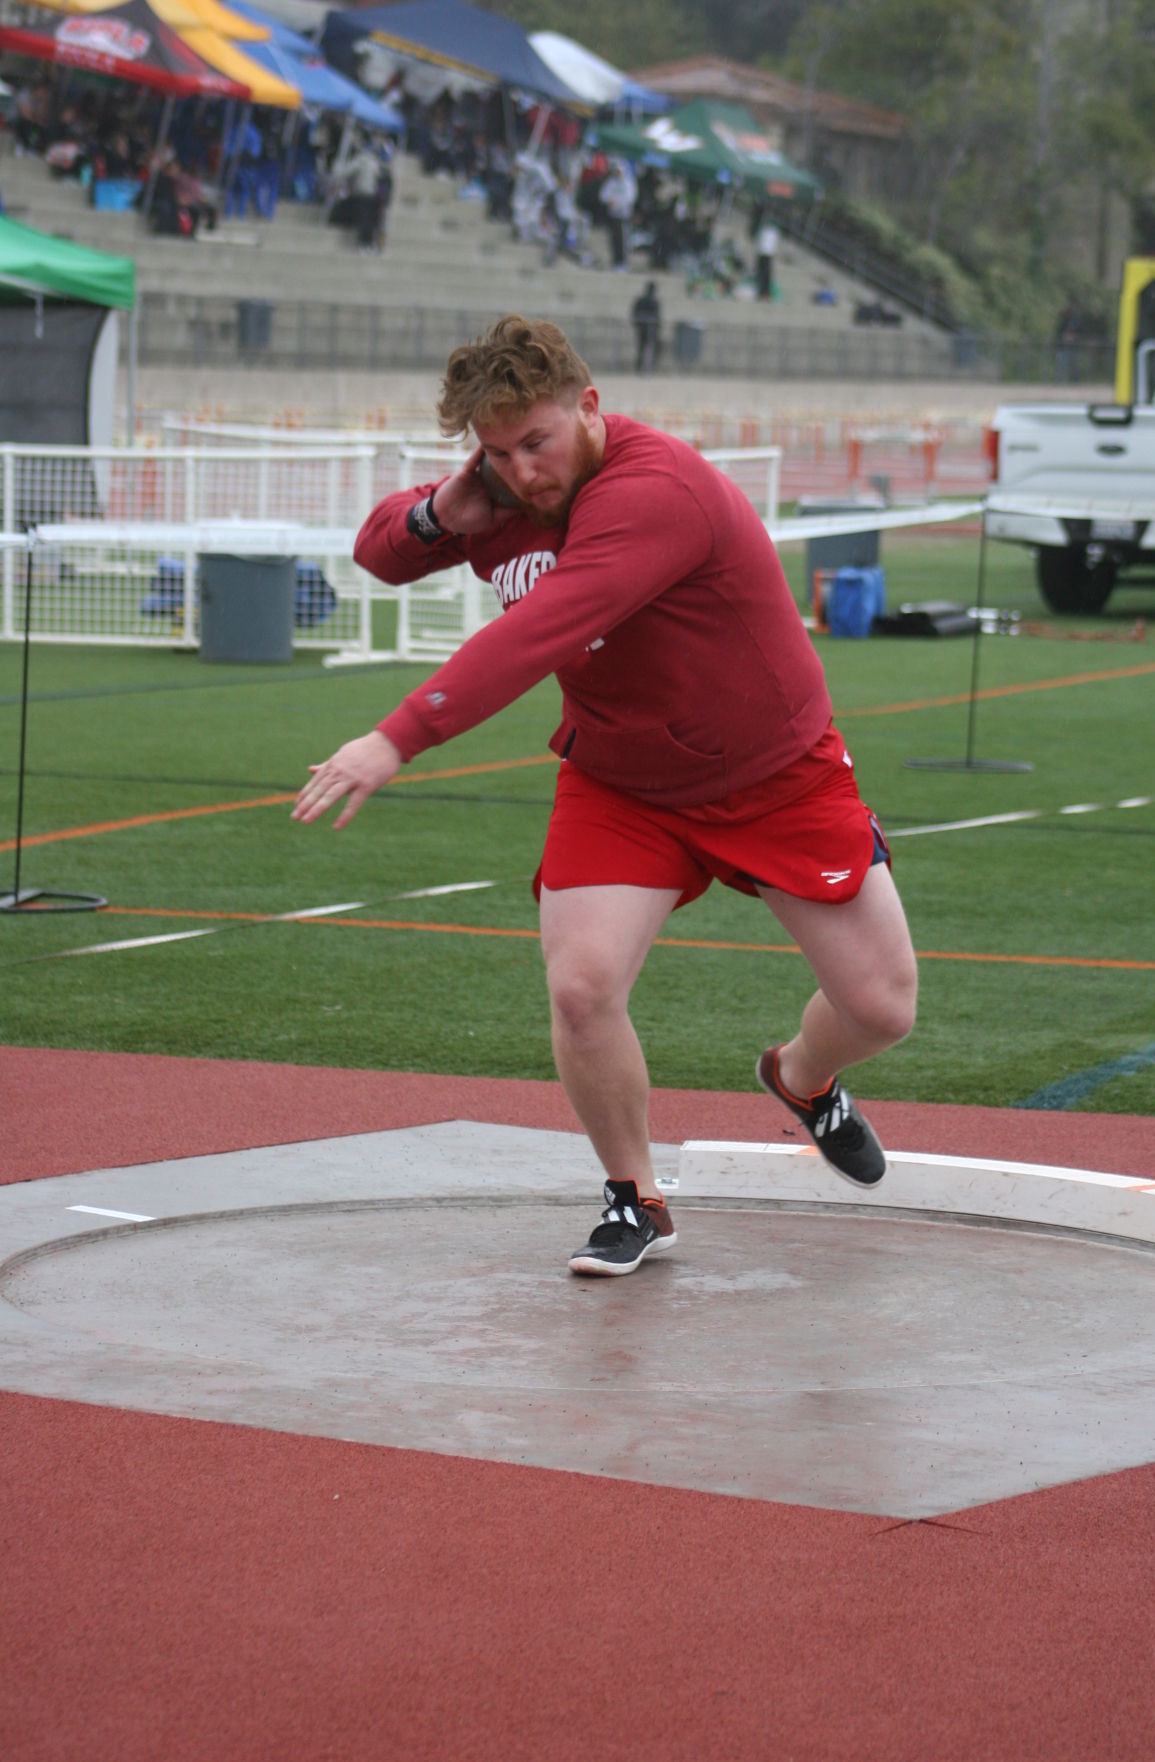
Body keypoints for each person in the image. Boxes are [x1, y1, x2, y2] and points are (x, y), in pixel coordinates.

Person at [293, 315, 918, 1278]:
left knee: (880, 1007)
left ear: (589, 407)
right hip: (621, 780)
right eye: (494, 451)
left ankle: (801, 1078)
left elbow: (544, 629)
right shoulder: (496, 491)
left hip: (772, 774)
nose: (522, 471)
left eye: (535, 442)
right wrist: (439, 514)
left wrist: (395, 738)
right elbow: (379, 552)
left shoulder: (652, 488)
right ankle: (634, 1198)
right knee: (581, 989)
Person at [631, 280, 662, 372]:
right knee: (649, 348)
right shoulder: (653, 301)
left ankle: (640, 367)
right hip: (650, 328)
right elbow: (657, 316)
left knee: (641, 348)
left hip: (642, 328)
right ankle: (647, 368)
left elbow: (634, 313)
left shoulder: (640, 300)